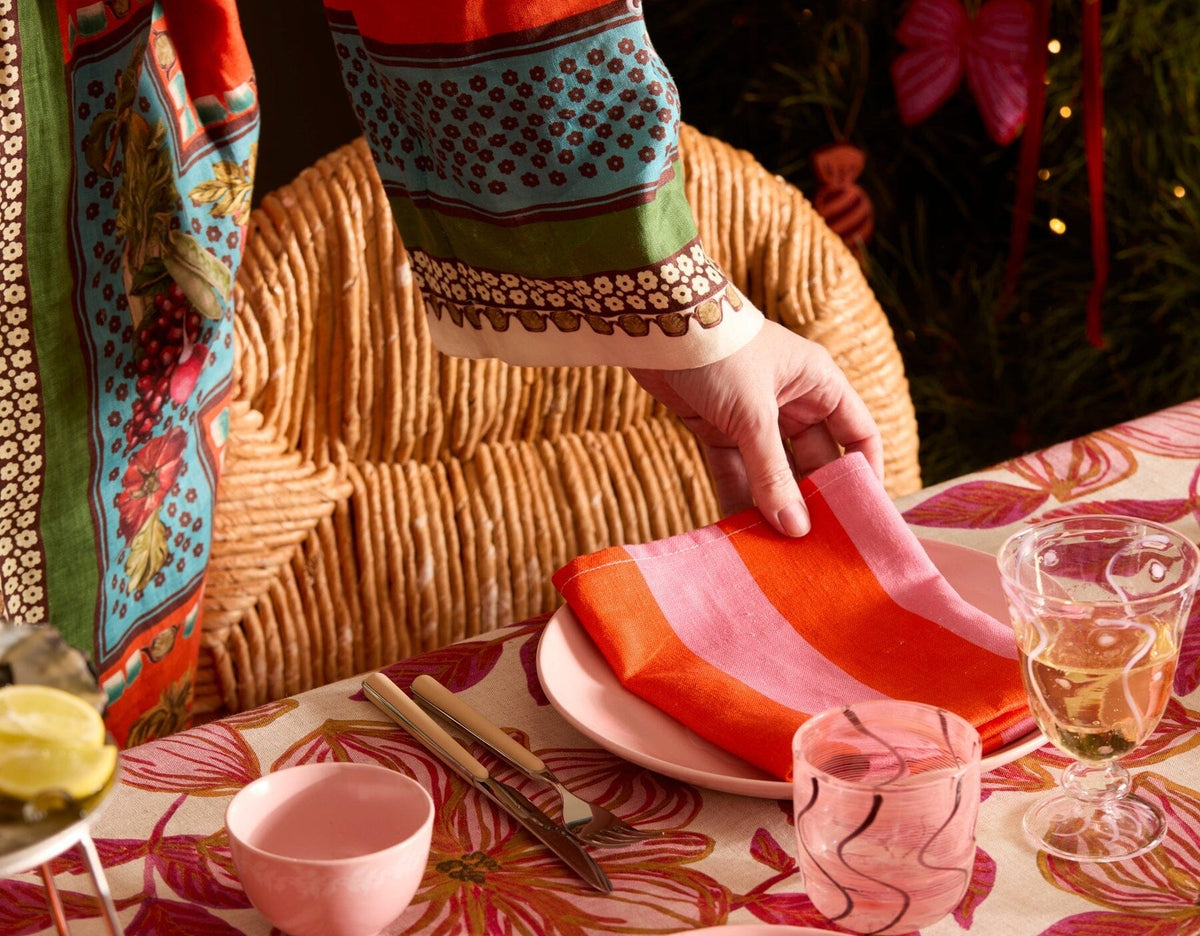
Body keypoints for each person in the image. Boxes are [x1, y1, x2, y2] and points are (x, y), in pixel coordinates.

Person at [4, 0, 883, 745]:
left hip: (66, 200)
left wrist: (681, 323)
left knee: (45, 777)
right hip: (34, 146)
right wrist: (682, 305)